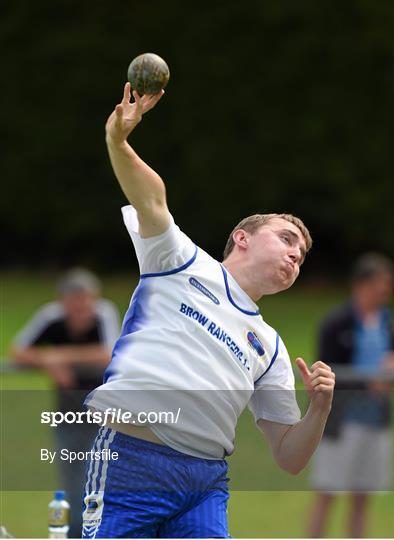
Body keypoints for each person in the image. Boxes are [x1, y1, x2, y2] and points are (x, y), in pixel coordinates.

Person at [82, 83, 336, 539]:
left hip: (204, 483)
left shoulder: (271, 348)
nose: (296, 254)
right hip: (131, 458)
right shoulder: (179, 261)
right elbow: (153, 198)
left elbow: (289, 456)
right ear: (242, 237)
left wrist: (319, 407)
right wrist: (118, 142)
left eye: (302, 254)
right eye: (286, 239)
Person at [12, 268, 120, 538]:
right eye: (75, 301)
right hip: (67, 416)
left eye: (86, 300)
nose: (82, 307)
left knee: (101, 482)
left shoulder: (103, 313)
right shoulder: (51, 317)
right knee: (72, 486)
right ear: (63, 301)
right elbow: (19, 350)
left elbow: (109, 353)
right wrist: (48, 363)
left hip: (105, 417)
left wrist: (58, 356)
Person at [308, 253, 394, 538]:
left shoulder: (389, 320)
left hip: (377, 421)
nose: (386, 292)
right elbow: (324, 372)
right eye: (381, 284)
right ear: (362, 285)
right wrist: (368, 384)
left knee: (363, 496)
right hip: (343, 423)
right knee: (328, 492)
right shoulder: (336, 322)